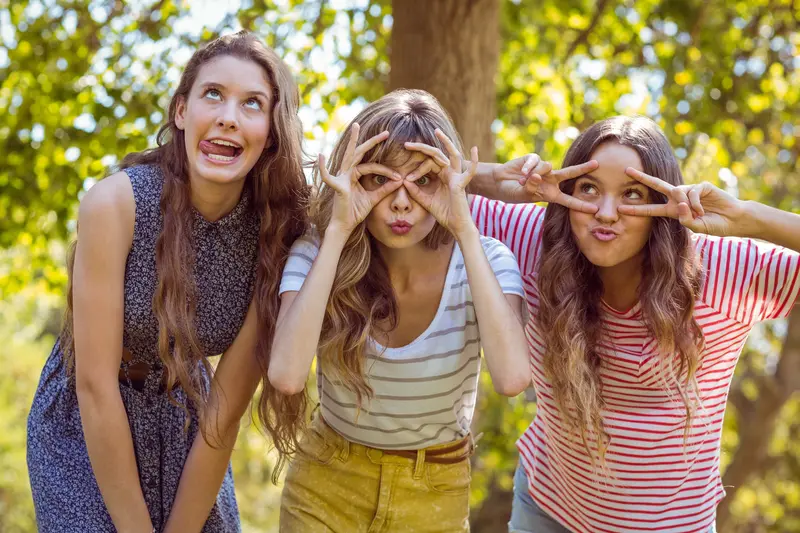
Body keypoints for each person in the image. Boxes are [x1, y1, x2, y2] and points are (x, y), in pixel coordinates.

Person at [26, 31, 308, 533]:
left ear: (270, 132)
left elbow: (224, 411)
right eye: (213, 94)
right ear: (181, 111)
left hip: (188, 419)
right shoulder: (115, 205)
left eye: (252, 103)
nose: (228, 116)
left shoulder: (273, 236)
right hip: (86, 419)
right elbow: (94, 385)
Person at [463, 115, 800, 533]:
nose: (605, 214)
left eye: (632, 194)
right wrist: (493, 178)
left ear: (662, 202)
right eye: (589, 189)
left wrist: (748, 216)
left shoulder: (720, 270)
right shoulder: (536, 241)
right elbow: (418, 181)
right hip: (548, 510)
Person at [268, 89, 530, 532]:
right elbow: (287, 375)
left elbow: (512, 379)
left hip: (434, 491)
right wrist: (338, 230)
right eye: (380, 179)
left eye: (423, 180)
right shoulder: (317, 253)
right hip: (326, 483)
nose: (402, 202)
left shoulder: (487, 260)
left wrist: (464, 228)